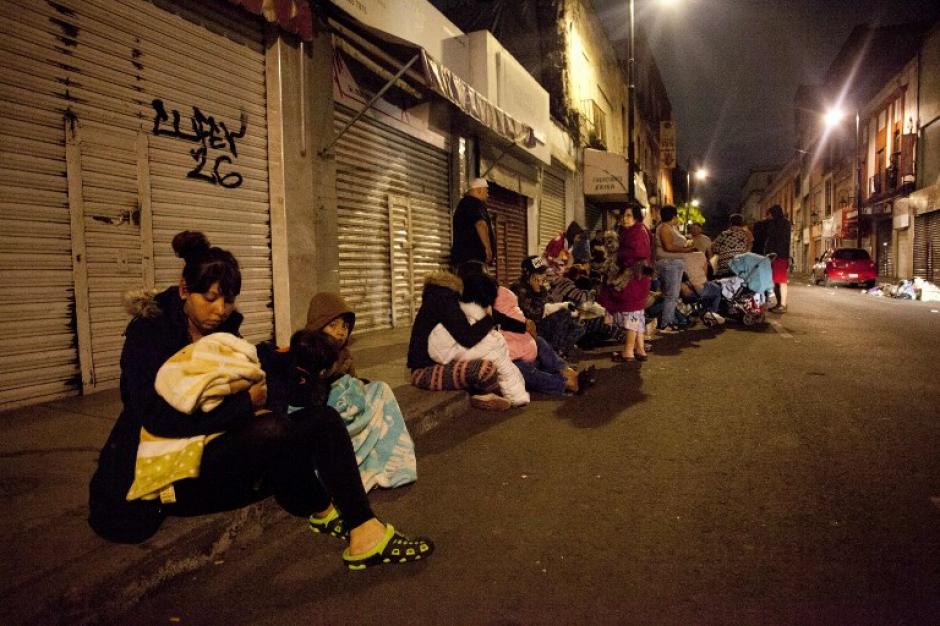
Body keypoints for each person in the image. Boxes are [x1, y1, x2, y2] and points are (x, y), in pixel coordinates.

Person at [88, 231, 432, 571]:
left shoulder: (223, 333)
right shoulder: (149, 335)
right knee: (274, 431)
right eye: (210, 298)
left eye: (229, 300)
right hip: (165, 474)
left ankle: (364, 532)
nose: (220, 310)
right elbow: (157, 419)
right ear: (183, 290)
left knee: (322, 420)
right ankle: (323, 509)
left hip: (215, 449)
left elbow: (264, 380)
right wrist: (245, 406)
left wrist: (285, 380)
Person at [258, 292, 418, 492]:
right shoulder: (304, 351)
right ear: (318, 324)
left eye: (344, 326)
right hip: (318, 415)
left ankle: (387, 460)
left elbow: (355, 387)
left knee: (379, 389)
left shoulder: (344, 355)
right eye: (333, 325)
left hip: (345, 414)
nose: (341, 331)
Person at [407, 266, 509, 410]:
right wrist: (488, 319)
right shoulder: (445, 299)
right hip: (424, 372)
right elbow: (467, 337)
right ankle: (494, 394)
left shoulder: (443, 295)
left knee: (493, 357)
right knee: (485, 368)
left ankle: (488, 394)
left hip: (438, 364)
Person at [428, 271, 530, 407]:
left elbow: (500, 320)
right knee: (493, 355)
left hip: (450, 352)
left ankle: (510, 394)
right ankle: (510, 395)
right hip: (443, 358)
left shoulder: (470, 308)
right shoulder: (461, 310)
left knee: (498, 349)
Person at [493, 285, 593, 395]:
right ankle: (566, 383)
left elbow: (520, 317)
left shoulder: (539, 290)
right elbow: (534, 313)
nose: (541, 278)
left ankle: (568, 372)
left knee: (540, 340)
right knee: (519, 368)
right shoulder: (520, 288)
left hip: (522, 341)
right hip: (510, 356)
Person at [598, 202, 652, 361]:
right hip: (638, 279)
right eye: (623, 215)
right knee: (637, 313)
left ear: (636, 216)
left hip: (633, 279)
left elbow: (638, 253)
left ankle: (628, 352)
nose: (625, 219)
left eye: (629, 215)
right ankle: (640, 349)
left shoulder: (637, 232)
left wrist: (620, 259)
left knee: (631, 314)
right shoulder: (638, 230)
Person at [511, 255, 585, 358]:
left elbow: (550, 304)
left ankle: (558, 351)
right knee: (564, 314)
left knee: (579, 326)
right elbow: (535, 315)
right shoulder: (519, 288)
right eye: (539, 273)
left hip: (545, 324)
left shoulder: (542, 288)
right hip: (530, 329)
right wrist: (536, 292)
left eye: (543, 272)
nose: (543, 275)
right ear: (528, 274)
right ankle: (553, 353)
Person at [654, 205, 698, 333]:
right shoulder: (664, 228)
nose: (678, 217)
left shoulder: (670, 228)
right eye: (677, 215)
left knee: (671, 295)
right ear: (673, 216)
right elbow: (668, 247)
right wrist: (687, 249)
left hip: (673, 263)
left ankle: (669, 320)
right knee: (671, 295)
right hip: (669, 263)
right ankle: (666, 324)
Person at [450, 177, 496, 267]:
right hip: (473, 260)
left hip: (467, 260)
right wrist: (487, 249)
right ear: (479, 190)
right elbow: (480, 224)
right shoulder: (473, 203)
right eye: (486, 191)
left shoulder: (465, 204)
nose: (488, 194)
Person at [763, 204, 792, 313]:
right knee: (777, 281)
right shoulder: (783, 223)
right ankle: (780, 304)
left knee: (780, 281)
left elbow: (777, 240)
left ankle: (782, 304)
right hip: (779, 256)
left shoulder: (778, 224)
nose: (767, 217)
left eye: (769, 214)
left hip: (778, 256)